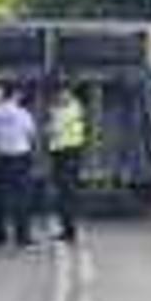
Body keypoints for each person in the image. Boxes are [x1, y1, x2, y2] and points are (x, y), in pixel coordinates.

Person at [0, 84, 39, 247]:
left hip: (0, 158)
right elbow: (31, 134)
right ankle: (22, 237)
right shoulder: (22, 113)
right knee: (22, 199)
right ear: (16, 95)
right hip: (20, 157)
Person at [45, 85, 90, 243]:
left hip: (69, 154)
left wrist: (52, 117)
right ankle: (67, 229)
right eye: (59, 94)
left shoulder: (72, 110)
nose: (60, 97)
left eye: (64, 94)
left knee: (67, 194)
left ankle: (70, 231)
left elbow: (54, 129)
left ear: (70, 95)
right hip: (61, 154)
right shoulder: (63, 109)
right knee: (63, 194)